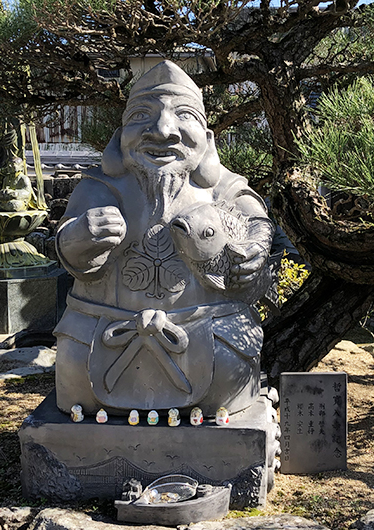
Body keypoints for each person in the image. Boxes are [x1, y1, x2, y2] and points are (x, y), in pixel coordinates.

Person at [54, 61, 274, 416]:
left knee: (227, 380)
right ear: (119, 136)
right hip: (102, 339)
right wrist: (80, 238)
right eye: (142, 115)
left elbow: (258, 222)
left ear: (207, 139)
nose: (162, 130)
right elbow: (65, 241)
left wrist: (254, 251)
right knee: (75, 371)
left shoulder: (224, 187)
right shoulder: (101, 187)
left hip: (207, 338)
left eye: (183, 115)